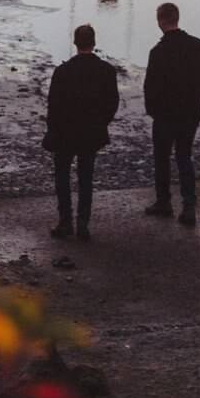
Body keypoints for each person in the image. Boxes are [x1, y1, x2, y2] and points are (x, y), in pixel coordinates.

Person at [44, 24, 119, 240]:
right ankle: (83, 223)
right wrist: (101, 123)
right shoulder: (106, 71)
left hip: (66, 132)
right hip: (91, 133)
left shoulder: (63, 72)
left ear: (75, 43)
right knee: (86, 177)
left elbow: (54, 105)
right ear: (93, 43)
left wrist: (53, 130)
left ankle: (65, 221)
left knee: (62, 176)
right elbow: (112, 103)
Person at [142, 1, 200, 226]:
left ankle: (164, 202)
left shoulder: (158, 52)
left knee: (162, 158)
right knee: (184, 156)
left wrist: (153, 110)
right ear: (177, 18)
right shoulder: (197, 45)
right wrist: (196, 100)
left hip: (165, 115)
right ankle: (189, 205)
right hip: (190, 112)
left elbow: (150, 86)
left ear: (160, 21)